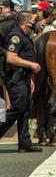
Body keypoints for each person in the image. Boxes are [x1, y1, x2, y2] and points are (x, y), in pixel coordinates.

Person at [0, 11, 42, 152]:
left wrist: (29, 78)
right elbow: (11, 58)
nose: (33, 26)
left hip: (23, 77)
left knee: (25, 110)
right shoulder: (16, 36)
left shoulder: (24, 36)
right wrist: (31, 65)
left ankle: (25, 144)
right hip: (15, 78)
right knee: (16, 109)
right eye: (32, 23)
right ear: (25, 23)